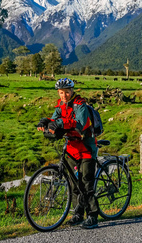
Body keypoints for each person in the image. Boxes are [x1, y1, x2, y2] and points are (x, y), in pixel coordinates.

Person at [37, 78, 99, 229]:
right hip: (71, 148)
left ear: (72, 91)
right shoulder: (60, 105)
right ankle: (78, 213)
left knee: (86, 183)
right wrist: (45, 122)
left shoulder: (80, 105)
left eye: (66, 92)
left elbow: (80, 124)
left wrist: (60, 123)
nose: (64, 95)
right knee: (73, 183)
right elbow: (54, 118)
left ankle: (92, 216)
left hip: (86, 147)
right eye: (61, 93)